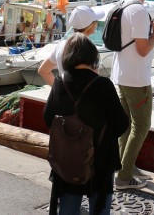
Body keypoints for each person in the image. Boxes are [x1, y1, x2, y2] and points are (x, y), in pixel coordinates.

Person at [44, 34, 129, 215]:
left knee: (68, 207)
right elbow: (121, 124)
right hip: (100, 159)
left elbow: (47, 117)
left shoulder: (59, 83)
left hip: (68, 158)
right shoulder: (103, 85)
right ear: (92, 56)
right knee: (99, 206)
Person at [111, 0, 154, 190]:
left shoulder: (120, 5)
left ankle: (124, 164)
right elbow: (142, 49)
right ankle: (123, 176)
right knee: (141, 125)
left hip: (120, 73)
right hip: (136, 78)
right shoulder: (139, 11)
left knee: (125, 124)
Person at [38, 5, 103, 86]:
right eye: (95, 20)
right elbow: (93, 79)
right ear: (91, 25)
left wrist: (58, 90)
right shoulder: (90, 48)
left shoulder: (61, 45)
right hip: (84, 97)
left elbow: (43, 71)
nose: (97, 23)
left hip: (65, 96)